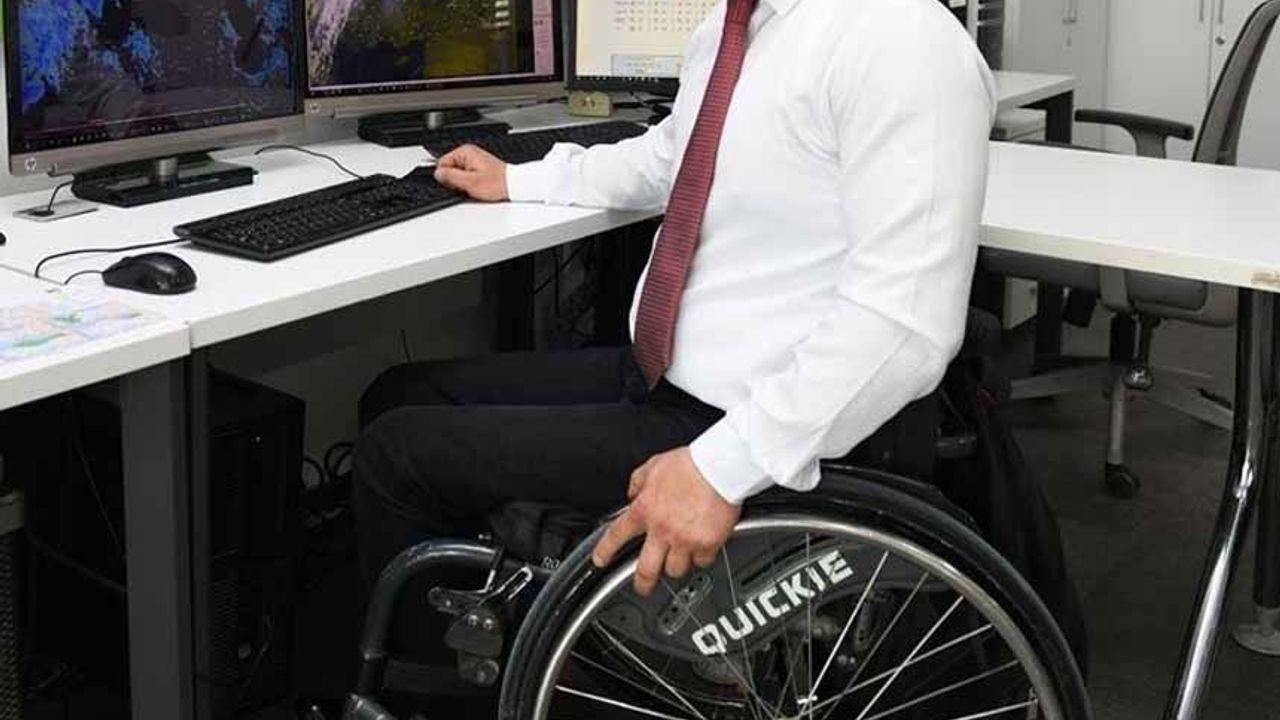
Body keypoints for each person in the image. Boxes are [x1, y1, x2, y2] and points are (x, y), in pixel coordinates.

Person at [353, 0, 996, 602]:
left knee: (395, 453)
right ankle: (489, 616)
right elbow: (668, 158)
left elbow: (906, 325)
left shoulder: (899, 38)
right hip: (662, 378)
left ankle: (440, 674)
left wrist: (721, 467)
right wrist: (520, 177)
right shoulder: (733, 25)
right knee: (398, 393)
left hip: (747, 418)